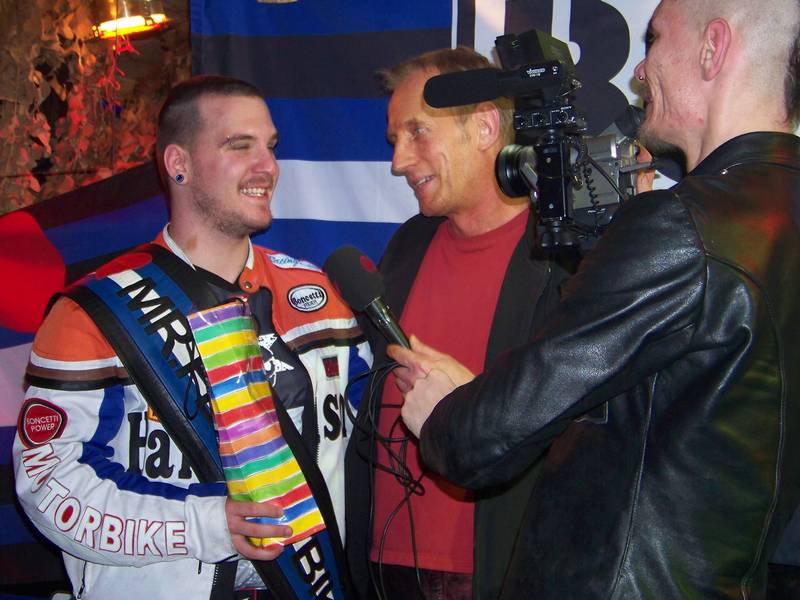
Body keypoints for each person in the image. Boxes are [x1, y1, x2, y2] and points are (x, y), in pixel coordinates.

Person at [392, 1, 800, 598]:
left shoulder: (681, 228)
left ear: (713, 48)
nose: (640, 71)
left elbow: (482, 439)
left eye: (655, 40)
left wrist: (447, 413)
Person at [13, 75, 371, 599]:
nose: (268, 166)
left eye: (270, 146)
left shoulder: (321, 297)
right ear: (178, 163)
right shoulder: (91, 313)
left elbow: (369, 452)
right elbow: (47, 481)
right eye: (239, 145)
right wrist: (205, 524)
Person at [344, 47, 569, 600]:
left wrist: (471, 405)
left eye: (418, 132)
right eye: (395, 139)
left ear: (486, 127)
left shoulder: (565, 262)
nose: (399, 161)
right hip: (384, 567)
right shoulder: (408, 244)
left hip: (499, 574)